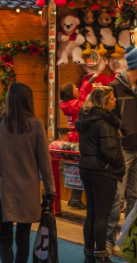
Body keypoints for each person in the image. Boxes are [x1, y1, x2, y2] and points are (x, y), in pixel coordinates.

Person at [0, 83, 56, 263]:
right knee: (23, 238)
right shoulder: (36, 125)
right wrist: (50, 189)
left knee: (4, 237)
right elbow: (44, 163)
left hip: (3, 190)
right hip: (28, 190)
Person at [106, 46, 137, 252]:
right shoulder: (114, 87)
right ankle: (108, 239)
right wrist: (121, 131)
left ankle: (127, 240)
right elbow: (109, 114)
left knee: (135, 195)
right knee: (117, 196)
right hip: (123, 148)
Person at [75, 87, 125, 263]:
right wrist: (120, 163)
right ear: (104, 102)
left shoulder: (86, 118)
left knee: (92, 213)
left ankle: (89, 251)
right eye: (112, 99)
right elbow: (109, 150)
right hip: (103, 171)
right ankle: (101, 254)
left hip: (87, 169)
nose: (115, 101)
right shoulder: (105, 122)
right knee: (102, 215)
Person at [59, 82, 89, 210]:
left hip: (72, 137)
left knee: (76, 168)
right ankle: (75, 198)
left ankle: (74, 198)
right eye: (75, 88)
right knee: (81, 169)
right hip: (79, 138)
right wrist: (85, 89)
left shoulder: (66, 105)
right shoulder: (76, 104)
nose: (77, 89)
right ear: (71, 93)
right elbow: (86, 106)